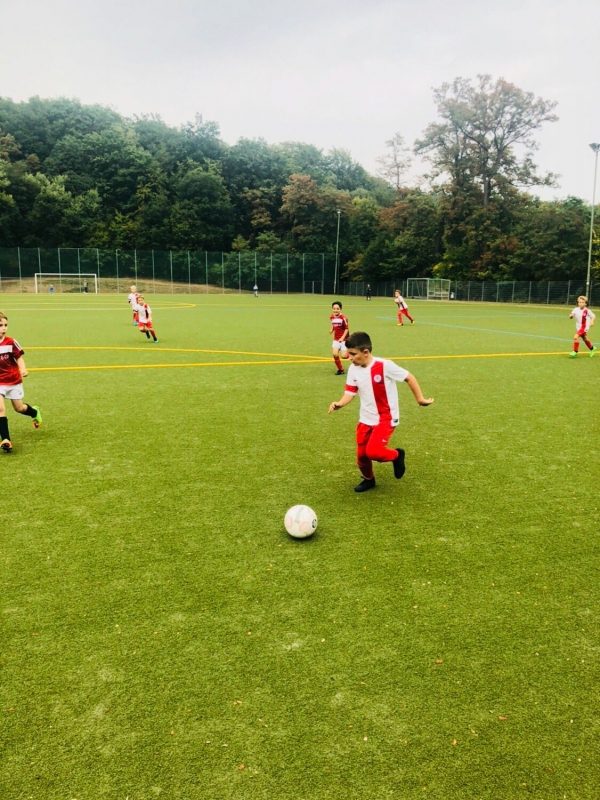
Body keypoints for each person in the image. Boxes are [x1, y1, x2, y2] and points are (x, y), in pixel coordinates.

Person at [328, 331, 433, 492]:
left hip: (386, 417)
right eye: (348, 353)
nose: (349, 357)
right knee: (362, 456)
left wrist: (420, 399)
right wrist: (340, 403)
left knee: (374, 452)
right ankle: (369, 480)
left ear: (365, 352)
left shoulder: (384, 365)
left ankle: (397, 456)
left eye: (353, 354)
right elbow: (350, 392)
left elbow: (409, 377)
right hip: (365, 418)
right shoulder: (353, 369)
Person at [0, 311, 42, 453]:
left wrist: (23, 369)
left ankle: (34, 412)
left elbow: (19, 358)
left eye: (5, 325)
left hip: (13, 380)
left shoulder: (11, 342)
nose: (4, 328)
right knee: (0, 409)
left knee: (19, 408)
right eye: (0, 325)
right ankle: (6, 440)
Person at [329, 301, 350, 375]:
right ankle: (341, 369)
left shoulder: (344, 318)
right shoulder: (331, 317)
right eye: (334, 308)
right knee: (335, 354)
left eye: (337, 309)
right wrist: (332, 329)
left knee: (344, 356)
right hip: (336, 339)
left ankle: (350, 353)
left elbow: (347, 329)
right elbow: (333, 324)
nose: (335, 310)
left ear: (340, 309)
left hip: (344, 340)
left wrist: (342, 338)